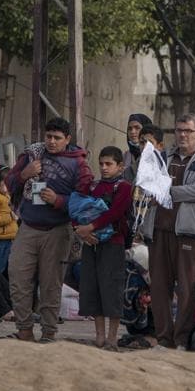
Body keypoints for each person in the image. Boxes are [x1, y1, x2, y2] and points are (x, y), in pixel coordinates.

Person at [6, 116, 92, 342]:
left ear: (68, 139)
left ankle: (48, 333)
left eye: (57, 138)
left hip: (57, 230)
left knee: (51, 284)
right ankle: (24, 329)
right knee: (18, 277)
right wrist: (25, 174)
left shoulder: (78, 163)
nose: (52, 142)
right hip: (28, 226)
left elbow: (85, 199)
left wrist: (58, 200)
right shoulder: (33, 154)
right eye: (48, 137)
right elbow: (8, 182)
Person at [149, 113, 195, 350]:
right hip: (159, 229)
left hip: (189, 232)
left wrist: (167, 191)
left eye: (187, 131)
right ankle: (163, 339)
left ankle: (181, 340)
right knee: (159, 288)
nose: (182, 135)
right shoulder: (161, 156)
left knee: (187, 289)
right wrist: (160, 190)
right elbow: (148, 184)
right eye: (179, 130)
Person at [71, 146, 131, 350]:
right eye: (101, 164)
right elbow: (78, 208)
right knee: (92, 287)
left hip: (113, 244)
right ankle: (99, 335)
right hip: (91, 243)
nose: (104, 168)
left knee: (112, 288)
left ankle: (112, 337)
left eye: (109, 164)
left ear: (120, 166)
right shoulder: (93, 186)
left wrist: (91, 227)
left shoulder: (123, 188)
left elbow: (114, 213)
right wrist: (83, 232)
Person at [0, 166, 18, 275]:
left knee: (6, 269)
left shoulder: (7, 196)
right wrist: (10, 216)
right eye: (5, 183)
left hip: (8, 239)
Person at [123, 113, 153, 183]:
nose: (132, 132)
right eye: (130, 129)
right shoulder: (125, 156)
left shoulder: (154, 155)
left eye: (137, 128)